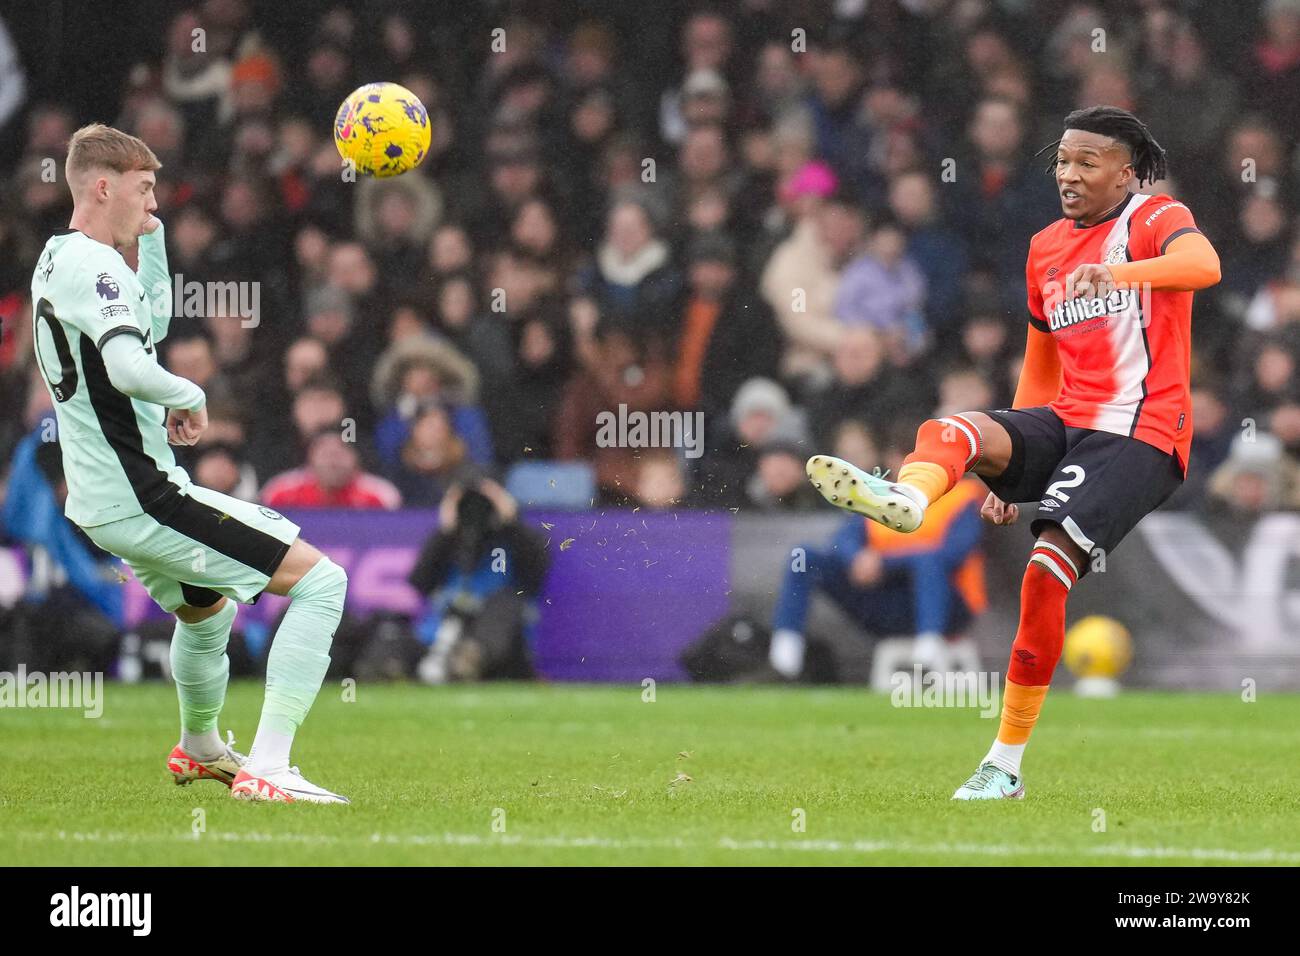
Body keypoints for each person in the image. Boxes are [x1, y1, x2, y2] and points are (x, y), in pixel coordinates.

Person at [805, 106, 1221, 800]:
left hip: (1140, 432)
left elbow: (1204, 265)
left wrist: (1122, 277)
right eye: (1063, 159)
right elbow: (1040, 359)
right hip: (1065, 420)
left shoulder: (1150, 219)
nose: (1068, 173)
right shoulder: (1045, 247)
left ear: (1126, 174)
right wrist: (1009, 471)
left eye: (1088, 162)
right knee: (958, 430)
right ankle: (908, 498)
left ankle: (1004, 765)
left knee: (1043, 572)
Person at [30, 125, 350, 803]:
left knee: (206, 612)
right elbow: (127, 364)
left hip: (106, 499)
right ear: (102, 187)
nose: (154, 204)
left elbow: (151, 328)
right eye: (144, 191)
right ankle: (270, 767)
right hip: (144, 495)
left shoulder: (61, 259)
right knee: (323, 583)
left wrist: (153, 243)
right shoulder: (93, 265)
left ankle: (201, 748)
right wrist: (190, 393)